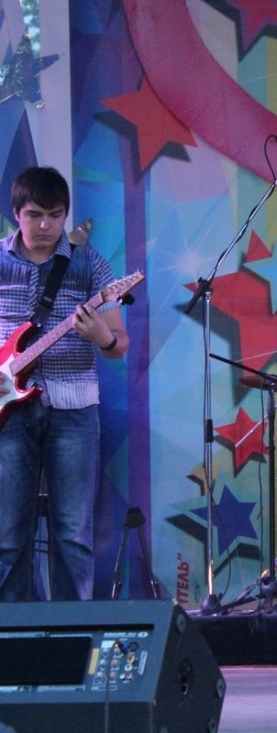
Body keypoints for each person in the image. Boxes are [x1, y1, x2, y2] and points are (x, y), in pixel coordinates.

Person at [0, 166, 130, 602]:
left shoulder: (89, 263)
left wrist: (102, 336)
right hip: (7, 413)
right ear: (16, 213)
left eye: (55, 216)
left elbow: (119, 345)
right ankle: (10, 632)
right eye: (35, 215)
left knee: (73, 534)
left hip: (74, 408)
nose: (45, 226)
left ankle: (75, 632)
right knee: (7, 535)